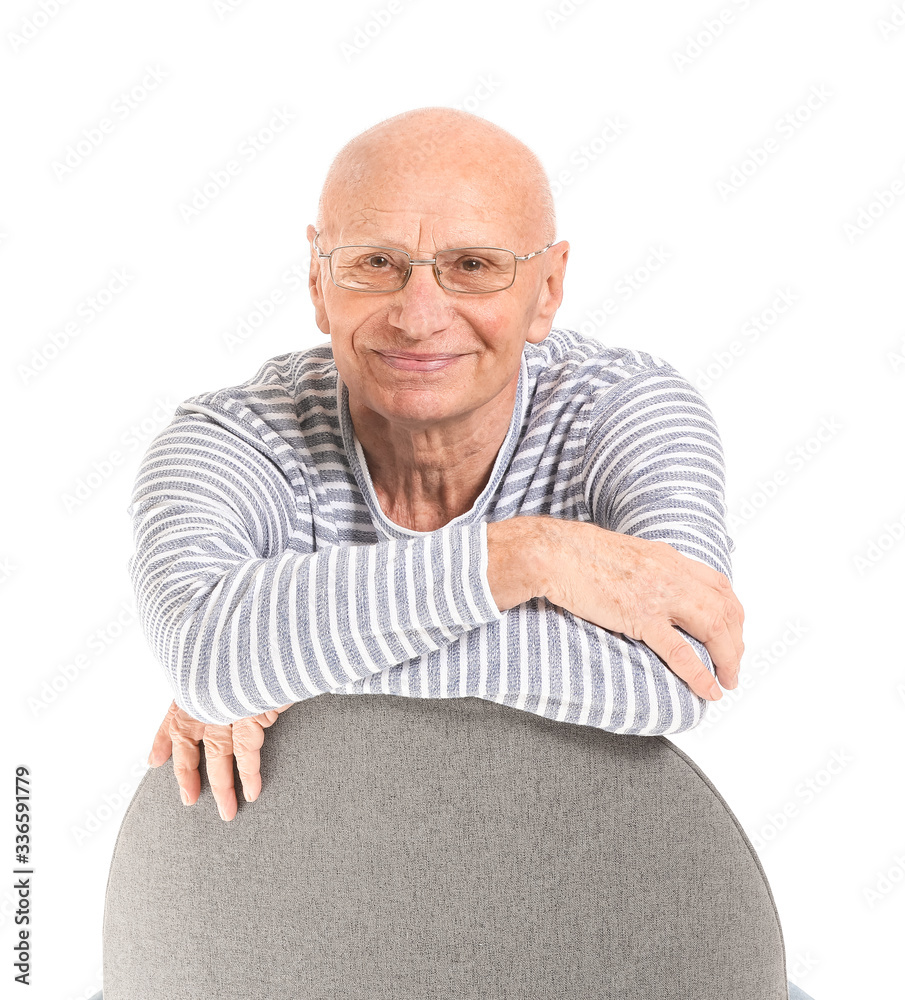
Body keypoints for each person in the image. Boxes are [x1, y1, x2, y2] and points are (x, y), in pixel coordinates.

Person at [104, 107, 814, 1000]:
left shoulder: (630, 410)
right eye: (375, 265)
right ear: (320, 281)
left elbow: (676, 673)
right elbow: (209, 651)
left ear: (547, 288)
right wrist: (527, 557)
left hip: (600, 934)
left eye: (472, 266)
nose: (418, 313)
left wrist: (282, 657)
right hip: (293, 949)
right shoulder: (229, 439)